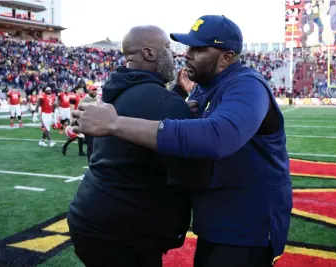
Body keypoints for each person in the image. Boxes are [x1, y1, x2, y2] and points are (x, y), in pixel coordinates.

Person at [73, 15, 292, 267]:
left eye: (199, 49)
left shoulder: (246, 85)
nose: (186, 54)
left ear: (226, 57)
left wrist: (115, 123)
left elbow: (218, 137)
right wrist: (177, 97)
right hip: (216, 220)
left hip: (246, 225)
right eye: (188, 47)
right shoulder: (203, 85)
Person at [68, 25, 211, 267]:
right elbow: (190, 174)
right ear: (149, 53)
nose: (174, 54)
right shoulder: (165, 103)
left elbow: (141, 109)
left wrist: (175, 96)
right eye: (167, 47)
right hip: (126, 231)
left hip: (90, 215)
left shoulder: (112, 91)